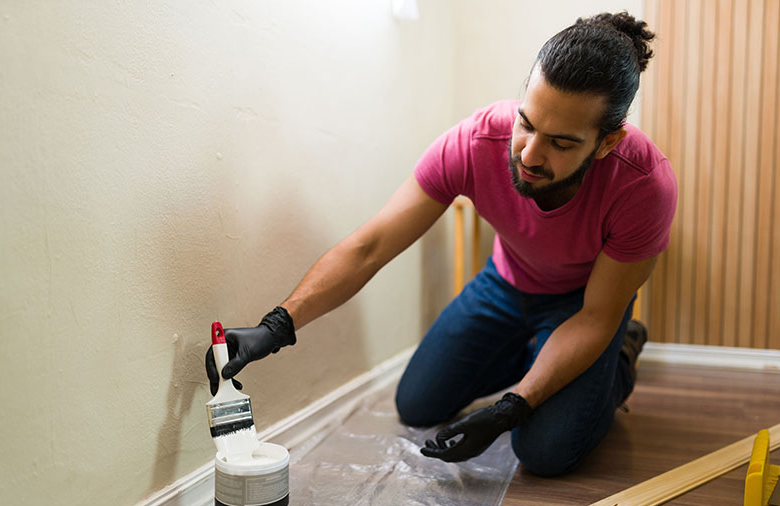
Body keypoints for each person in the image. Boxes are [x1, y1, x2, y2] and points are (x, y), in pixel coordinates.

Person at [206, 11, 677, 477]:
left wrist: (513, 406)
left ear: (606, 143)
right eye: (527, 123)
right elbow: (371, 246)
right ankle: (540, 355)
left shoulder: (643, 186)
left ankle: (617, 361)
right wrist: (277, 325)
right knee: (417, 404)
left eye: (561, 143)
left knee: (544, 451)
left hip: (584, 305)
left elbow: (596, 317)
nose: (530, 154)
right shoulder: (475, 142)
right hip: (506, 283)